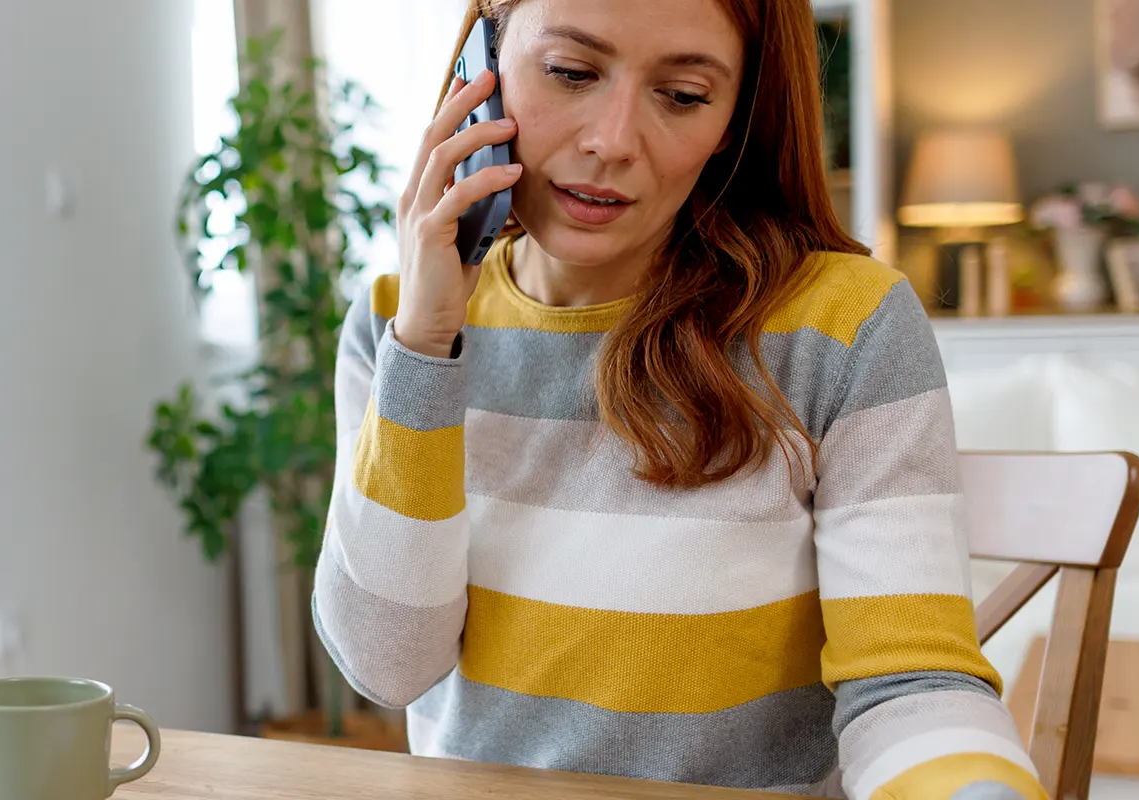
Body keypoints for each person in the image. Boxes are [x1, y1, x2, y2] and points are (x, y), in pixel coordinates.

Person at [312, 1, 1045, 798]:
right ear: (477, 68)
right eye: (571, 72)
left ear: (734, 116)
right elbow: (389, 666)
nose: (612, 141)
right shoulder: (398, 322)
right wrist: (423, 349)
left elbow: (910, 688)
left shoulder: (844, 325)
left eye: (684, 95)